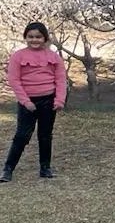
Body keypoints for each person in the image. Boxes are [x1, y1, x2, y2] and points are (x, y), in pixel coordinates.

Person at [2, 22, 67, 182]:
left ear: (44, 38)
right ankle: (8, 169)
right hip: (28, 103)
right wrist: (25, 101)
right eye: (30, 37)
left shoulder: (53, 57)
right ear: (26, 37)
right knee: (22, 136)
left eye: (38, 37)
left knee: (45, 135)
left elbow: (60, 80)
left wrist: (59, 100)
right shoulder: (18, 56)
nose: (34, 40)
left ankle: (45, 168)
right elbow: (14, 80)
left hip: (48, 101)